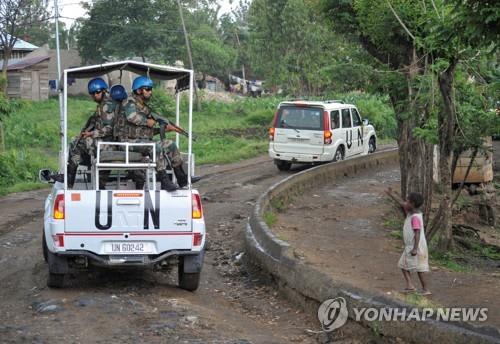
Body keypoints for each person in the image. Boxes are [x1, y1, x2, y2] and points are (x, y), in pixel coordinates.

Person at [114, 76, 189, 192]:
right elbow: (132, 117)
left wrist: (162, 129)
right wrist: (148, 121)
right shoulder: (129, 102)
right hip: (126, 142)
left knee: (170, 144)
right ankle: (164, 181)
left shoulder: (143, 107)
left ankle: (182, 179)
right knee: (155, 147)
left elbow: (143, 132)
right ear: (139, 90)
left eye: (150, 89)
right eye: (147, 89)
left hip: (138, 141)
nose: (150, 92)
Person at [67, 78, 116, 189]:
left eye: (97, 92)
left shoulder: (107, 105)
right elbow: (94, 122)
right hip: (105, 142)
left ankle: (69, 180)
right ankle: (72, 176)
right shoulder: (102, 105)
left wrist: (91, 134)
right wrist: (86, 132)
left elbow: (109, 129)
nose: (95, 95)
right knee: (78, 140)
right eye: (92, 93)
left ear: (104, 91)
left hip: (110, 143)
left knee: (76, 143)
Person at [386, 188, 431, 295]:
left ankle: (415, 287)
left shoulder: (414, 217)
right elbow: (402, 204)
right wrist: (391, 195)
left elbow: (417, 233)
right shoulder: (413, 213)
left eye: (407, 201)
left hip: (414, 247)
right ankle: (420, 288)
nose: (405, 203)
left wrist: (415, 248)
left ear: (412, 204)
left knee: (406, 266)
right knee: (418, 268)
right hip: (417, 246)